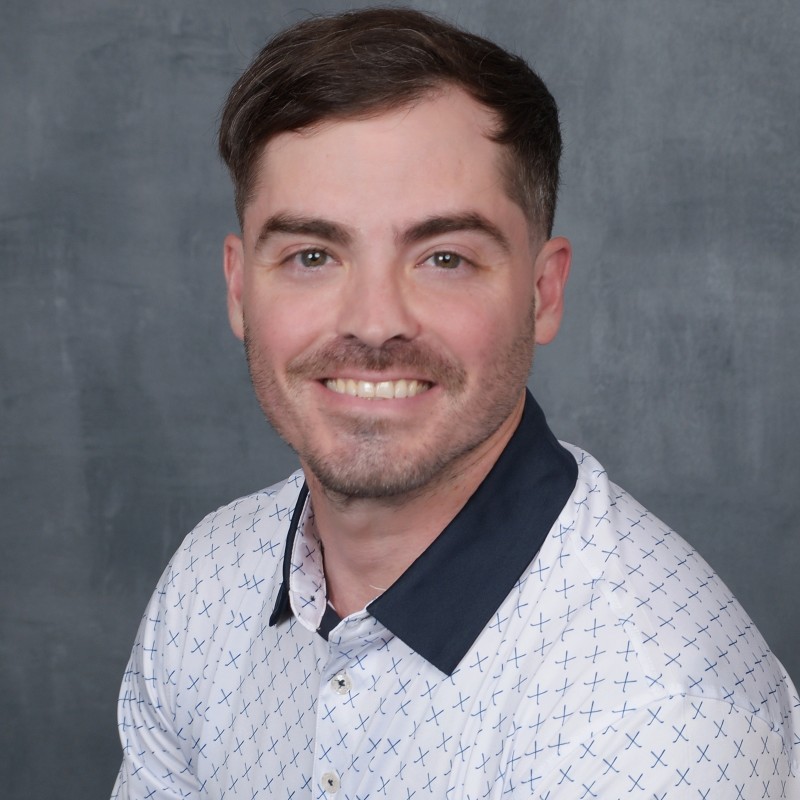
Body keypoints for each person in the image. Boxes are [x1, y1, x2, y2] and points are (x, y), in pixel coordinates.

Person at [112, 8, 799, 798]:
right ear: (239, 286)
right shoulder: (209, 582)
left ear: (543, 292)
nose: (374, 321)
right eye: (311, 255)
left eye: (444, 258)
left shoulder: (654, 719)